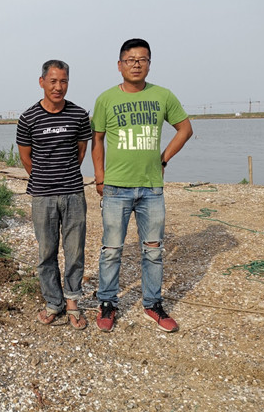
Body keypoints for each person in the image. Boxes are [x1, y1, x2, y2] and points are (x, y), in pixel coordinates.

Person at [91, 38, 193, 333]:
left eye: (142, 59)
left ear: (149, 63)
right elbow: (97, 139)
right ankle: (107, 302)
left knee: (153, 250)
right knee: (111, 249)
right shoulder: (106, 99)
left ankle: (153, 303)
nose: (136, 64)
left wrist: (164, 159)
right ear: (119, 64)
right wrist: (100, 176)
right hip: (116, 188)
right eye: (130, 59)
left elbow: (185, 129)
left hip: (151, 189)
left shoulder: (163, 96)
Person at [17, 60, 92, 330]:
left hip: (73, 193)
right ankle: (53, 302)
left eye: (63, 81)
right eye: (53, 81)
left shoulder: (79, 115)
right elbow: (26, 158)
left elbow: (80, 152)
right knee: (46, 252)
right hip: (43, 196)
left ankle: (72, 301)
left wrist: (64, 175)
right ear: (42, 82)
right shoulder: (28, 118)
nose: (58, 87)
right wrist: (45, 178)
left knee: (75, 251)